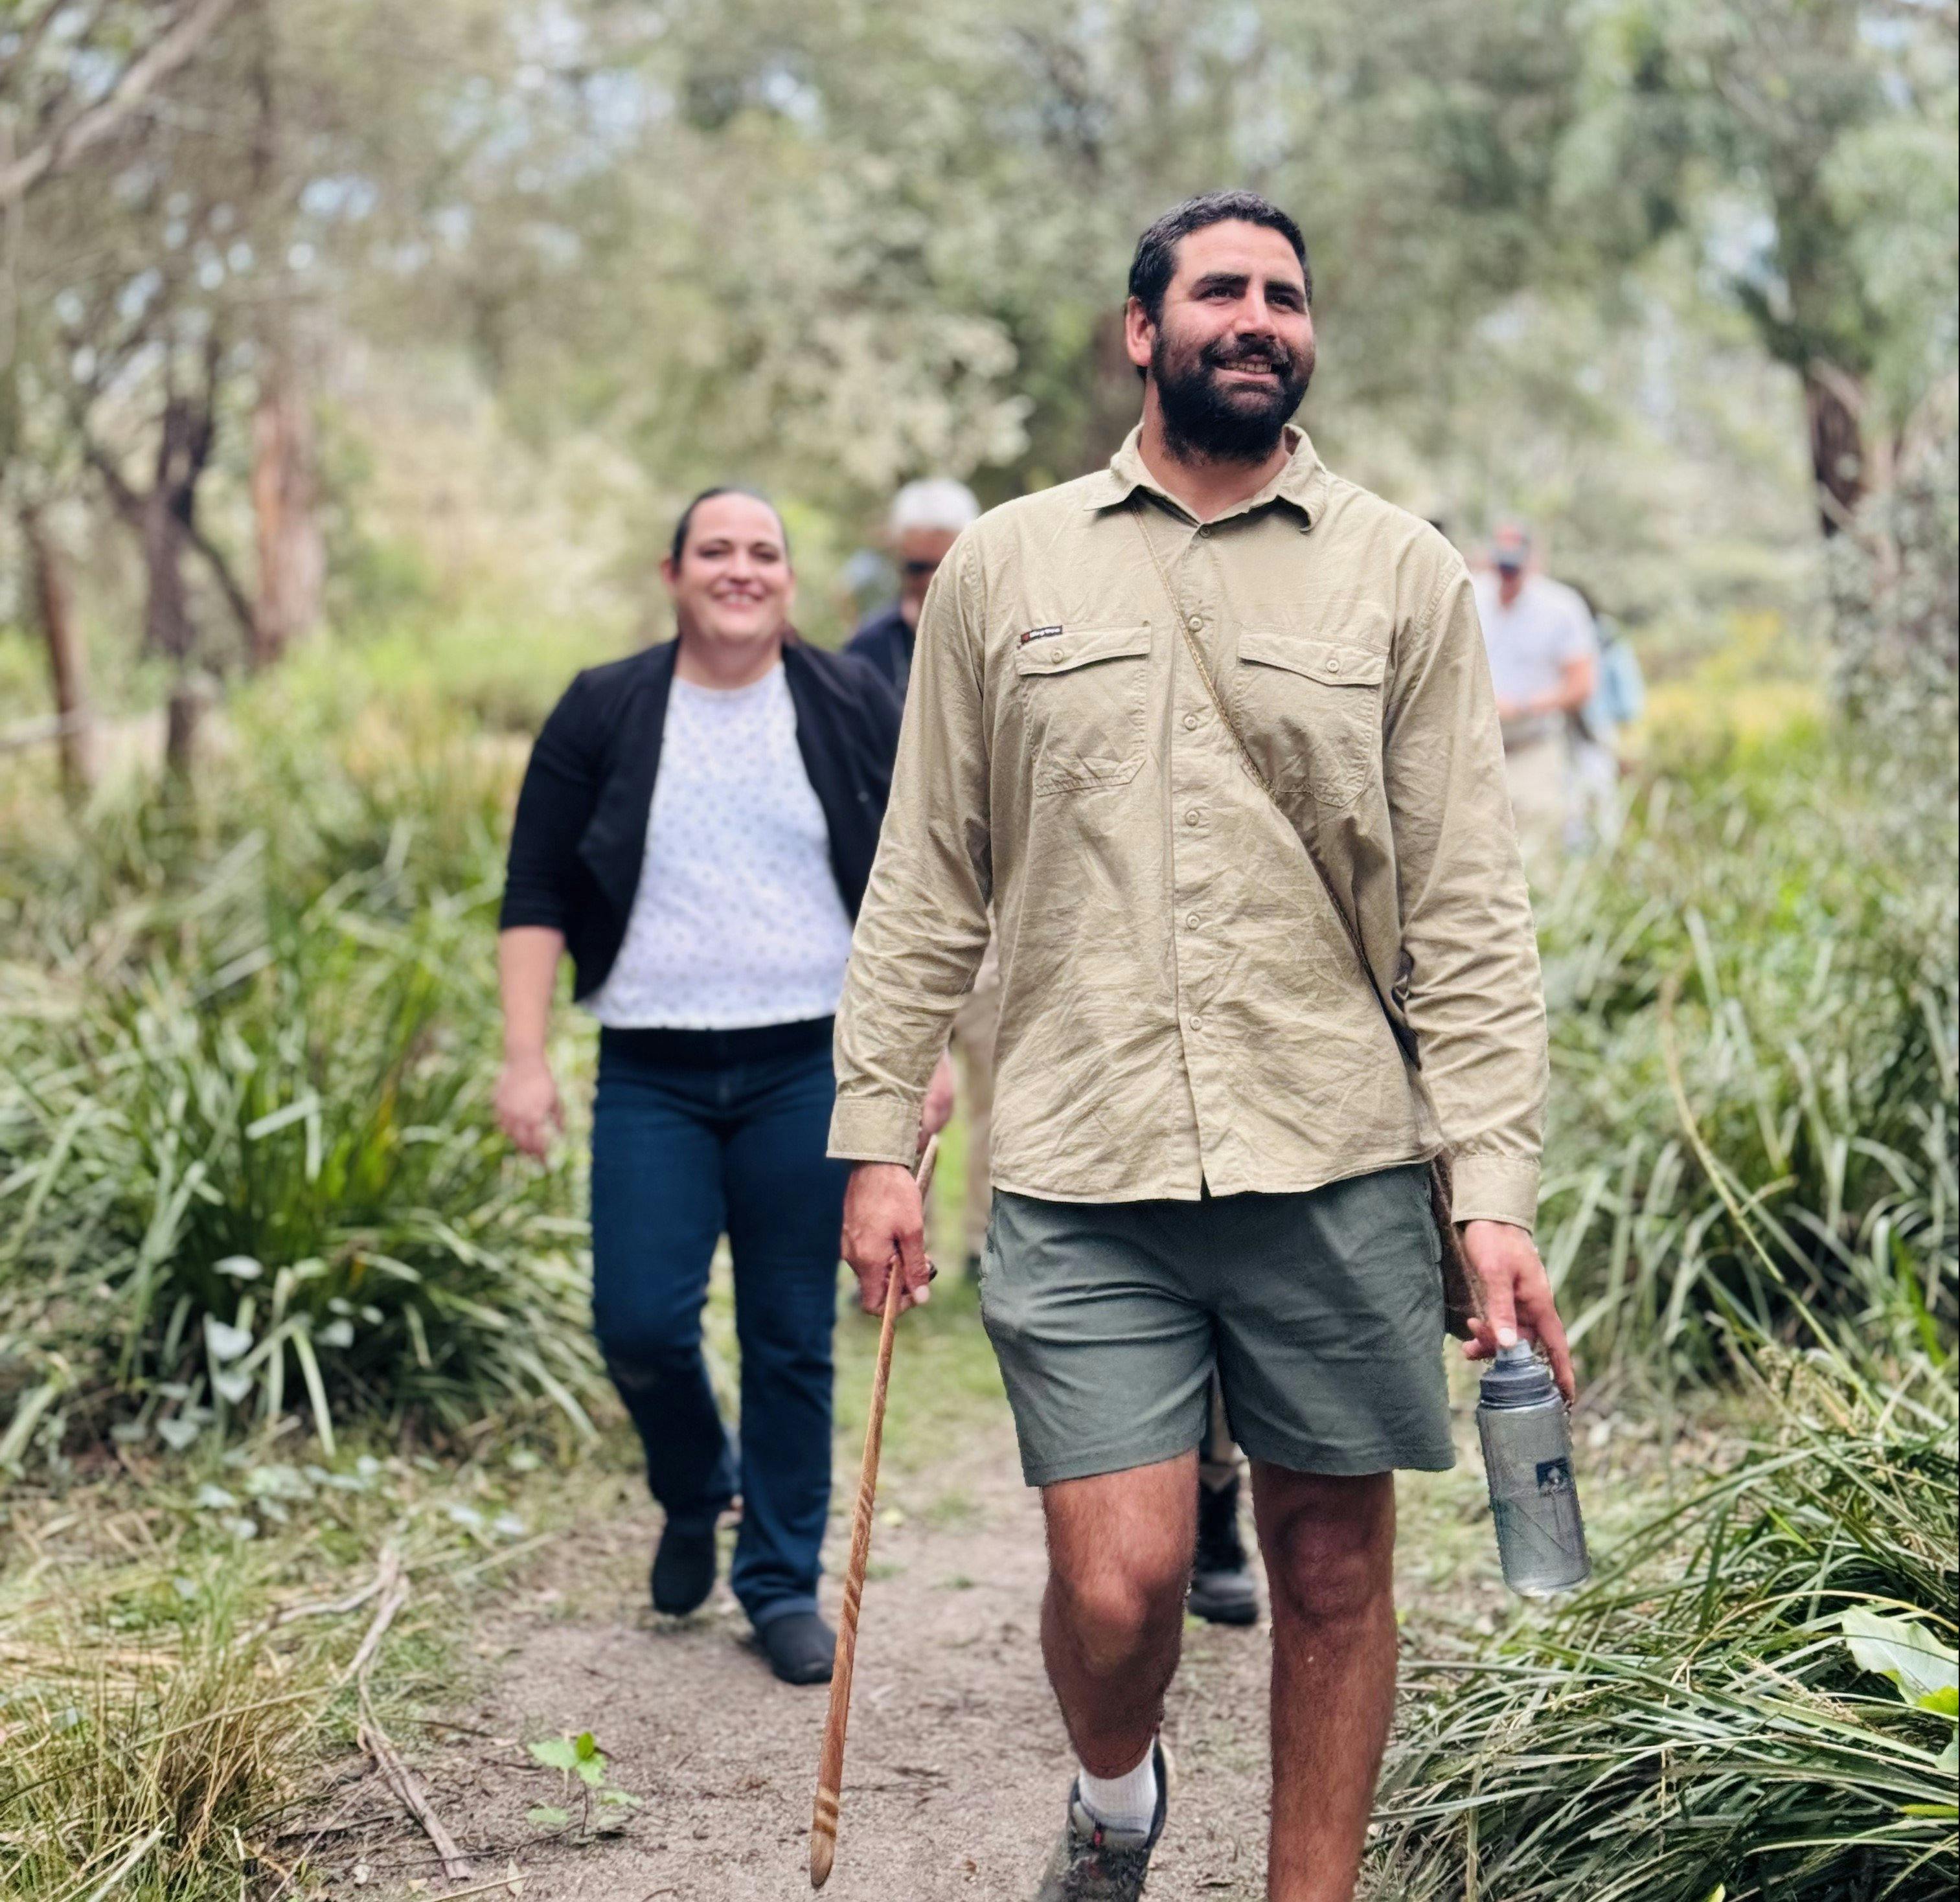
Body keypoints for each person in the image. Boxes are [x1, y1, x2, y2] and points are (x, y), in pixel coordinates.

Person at [830, 192, 1574, 1902]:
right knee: (1121, 1585)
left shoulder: (1401, 571)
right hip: (1084, 1161)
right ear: (1139, 331)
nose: (1257, 317)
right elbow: (929, 868)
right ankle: (1112, 1792)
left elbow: (1466, 907)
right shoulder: (1009, 566)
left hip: (1334, 1154)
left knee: (1324, 1567)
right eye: (1220, 290)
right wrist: (882, 1135)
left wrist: (1493, 1190)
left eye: (1286, 296)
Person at [494, 486, 942, 1688]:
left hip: (811, 1062)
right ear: (673, 572)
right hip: (652, 1065)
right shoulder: (604, 706)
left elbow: (919, 892)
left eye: (764, 553)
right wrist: (525, 1054)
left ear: (790, 580)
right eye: (716, 551)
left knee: (793, 1332)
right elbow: (534, 887)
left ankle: (779, 1580)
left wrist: (924, 1054)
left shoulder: (851, 698)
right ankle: (699, 1487)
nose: (740, 570)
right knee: (638, 1319)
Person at [849, 477, 1000, 1274]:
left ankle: (982, 1244)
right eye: (915, 568)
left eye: (943, 566)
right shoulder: (862, 661)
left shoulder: (996, 643)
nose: (927, 582)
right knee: (894, 1085)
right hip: (897, 907)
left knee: (997, 1092)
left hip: (995, 912)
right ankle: (893, 1241)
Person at [1470, 524, 1598, 871]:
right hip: (1474, 750)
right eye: (1501, 564)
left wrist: (1525, 705)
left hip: (1534, 746)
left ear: (1533, 562)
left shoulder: (1562, 607)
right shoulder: (1467, 596)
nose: (1507, 575)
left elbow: (1582, 684)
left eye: (1515, 566)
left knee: (1537, 858)